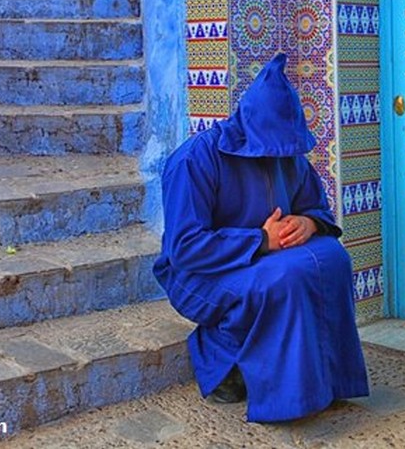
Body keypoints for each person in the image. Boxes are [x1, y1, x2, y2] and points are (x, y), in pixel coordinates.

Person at [153, 53, 370, 422]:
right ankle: (225, 361)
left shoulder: (288, 155)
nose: (277, 157)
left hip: (264, 259)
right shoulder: (195, 160)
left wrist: (309, 224)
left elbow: (318, 208)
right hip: (197, 275)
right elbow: (185, 248)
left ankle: (327, 382)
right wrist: (260, 240)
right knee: (283, 278)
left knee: (332, 259)